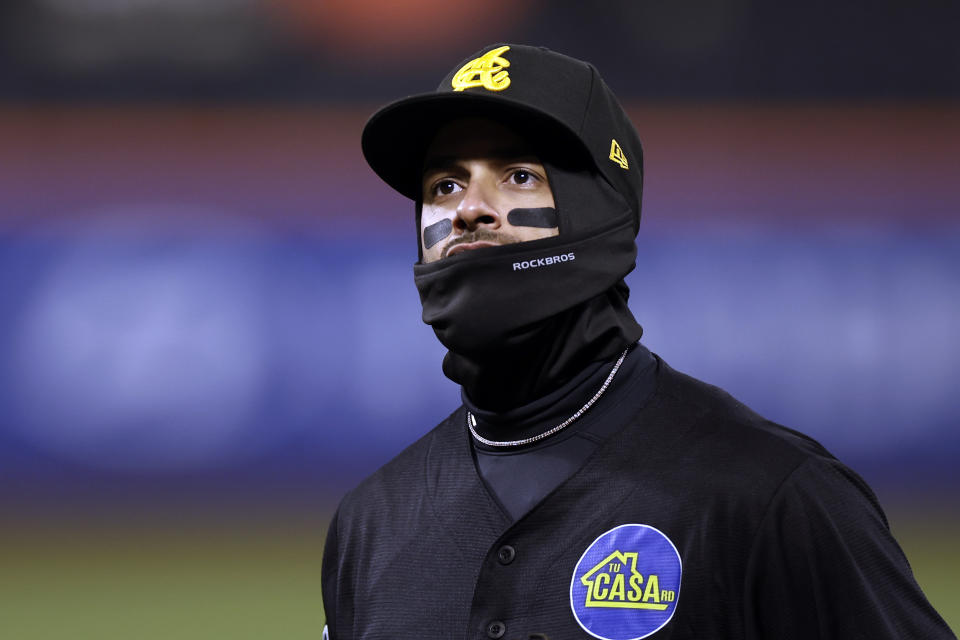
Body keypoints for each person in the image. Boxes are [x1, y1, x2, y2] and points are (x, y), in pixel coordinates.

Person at [321, 44, 955, 640]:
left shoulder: (770, 496)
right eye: (445, 185)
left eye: (517, 175)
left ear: (601, 214)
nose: (468, 210)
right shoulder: (369, 525)